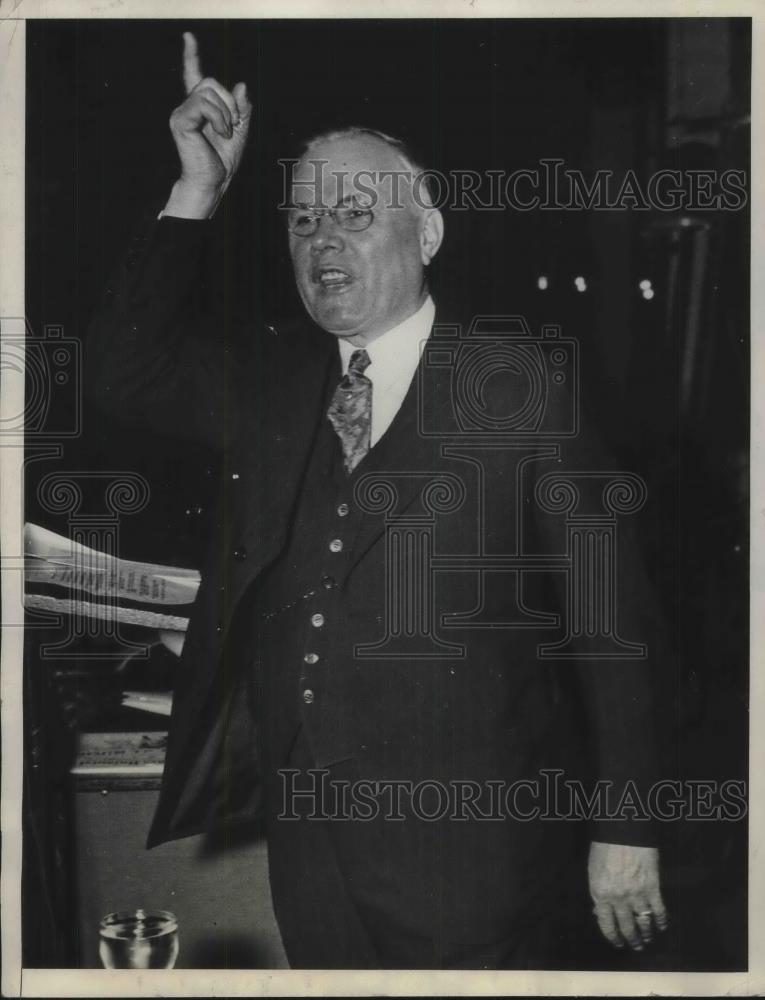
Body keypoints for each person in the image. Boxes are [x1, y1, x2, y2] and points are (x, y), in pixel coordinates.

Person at [86, 32, 668, 969]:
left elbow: (613, 625)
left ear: (426, 234)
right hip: (310, 844)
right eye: (304, 222)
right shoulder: (274, 380)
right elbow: (118, 372)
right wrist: (196, 189)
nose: (324, 240)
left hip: (473, 855)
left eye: (354, 213)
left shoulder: (518, 385)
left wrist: (627, 826)